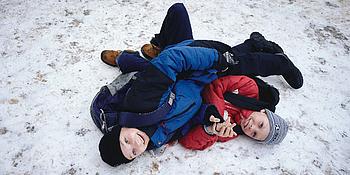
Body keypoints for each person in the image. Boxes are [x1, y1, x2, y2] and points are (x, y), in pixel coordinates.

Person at [95, 3, 300, 166]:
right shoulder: (157, 138)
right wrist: (210, 124)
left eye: (126, 141)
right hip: (192, 71)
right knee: (178, 13)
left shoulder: (142, 104)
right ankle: (253, 44)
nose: (136, 145)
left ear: (120, 129)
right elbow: (189, 132)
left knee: (234, 62)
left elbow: (174, 60)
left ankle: (281, 63)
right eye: (132, 154)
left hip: (195, 63)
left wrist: (217, 60)